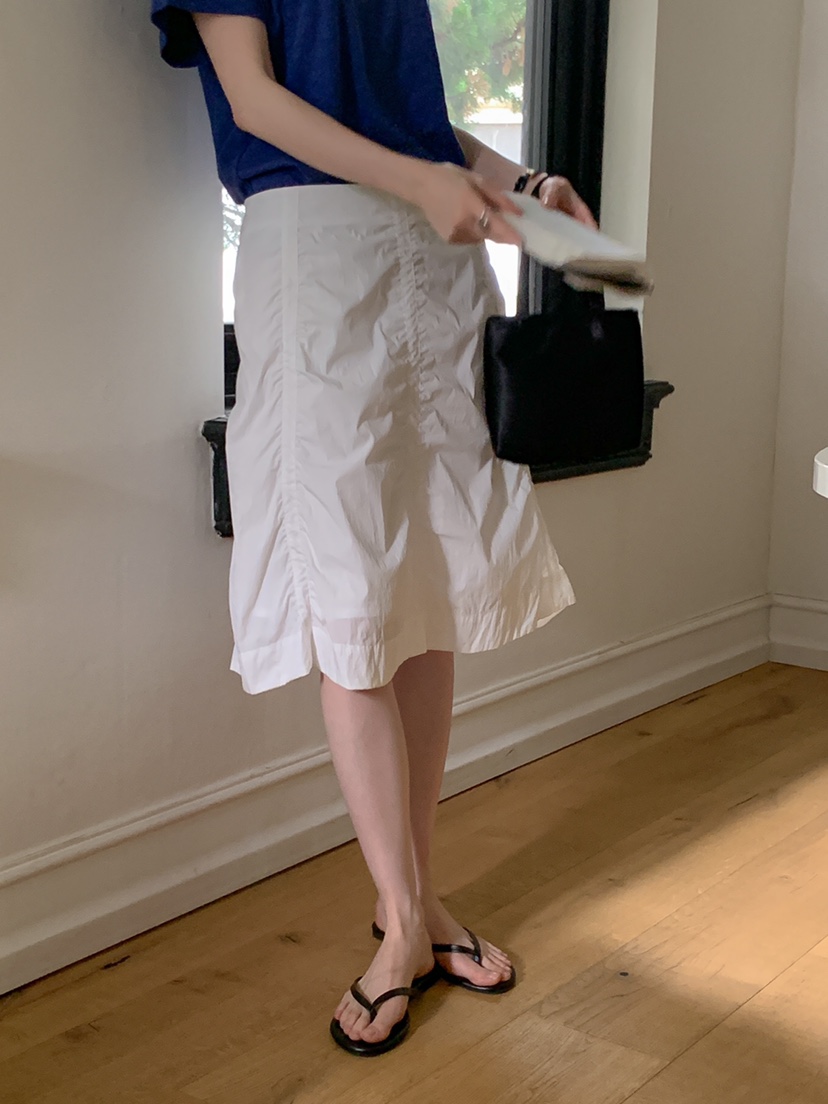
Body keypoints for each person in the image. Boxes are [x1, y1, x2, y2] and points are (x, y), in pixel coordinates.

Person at [150, 0, 596, 1058]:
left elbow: (409, 117)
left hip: (437, 261)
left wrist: (522, 185)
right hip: (316, 257)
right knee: (348, 600)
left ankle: (419, 897)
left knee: (426, 593)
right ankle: (400, 922)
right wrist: (423, 181)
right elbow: (255, 100)